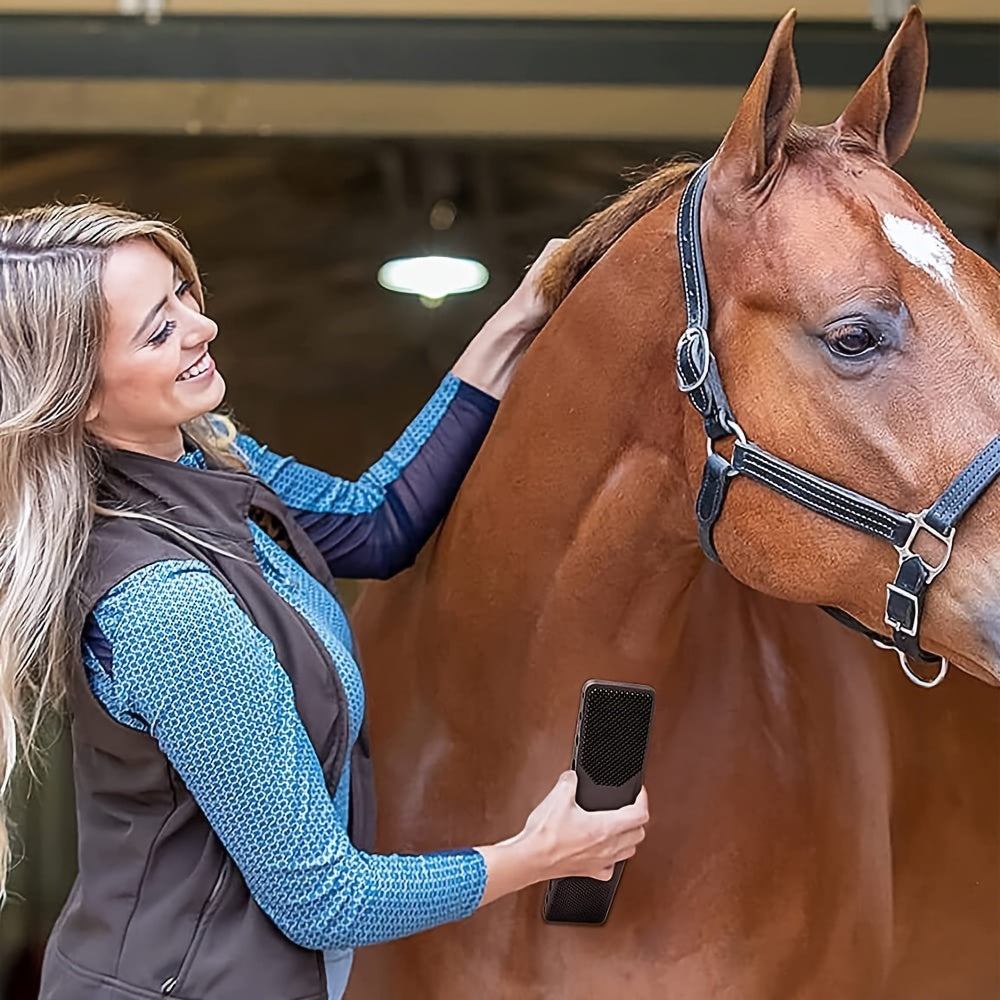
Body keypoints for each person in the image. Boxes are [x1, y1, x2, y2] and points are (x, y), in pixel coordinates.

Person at [0, 203, 649, 1000]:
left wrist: (522, 315)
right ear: (83, 400)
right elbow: (323, 898)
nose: (199, 327)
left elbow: (377, 522)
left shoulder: (213, 465)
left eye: (180, 294)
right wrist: (540, 854)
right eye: (156, 330)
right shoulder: (169, 608)